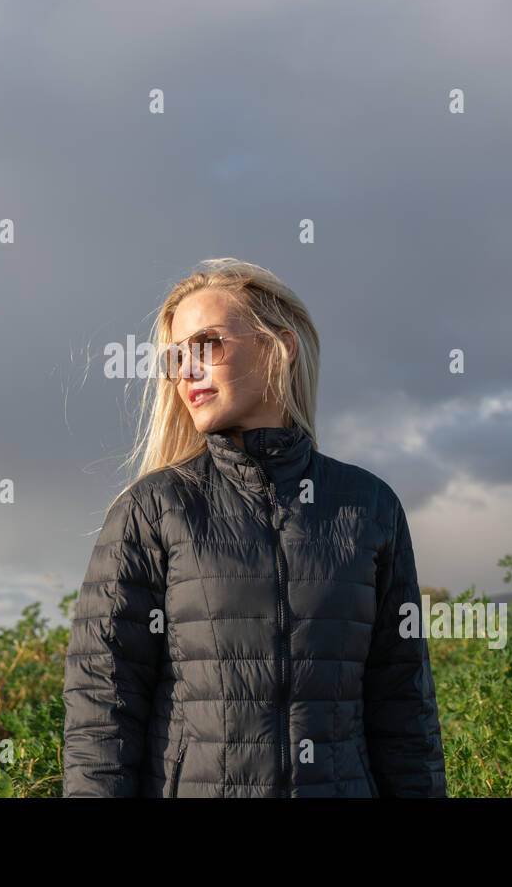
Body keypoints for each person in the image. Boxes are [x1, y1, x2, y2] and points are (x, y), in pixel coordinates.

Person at [62, 258, 447, 797]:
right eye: (175, 358)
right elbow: (101, 714)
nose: (185, 372)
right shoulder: (152, 511)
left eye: (206, 344)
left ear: (279, 346)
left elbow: (405, 710)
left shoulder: (369, 507)